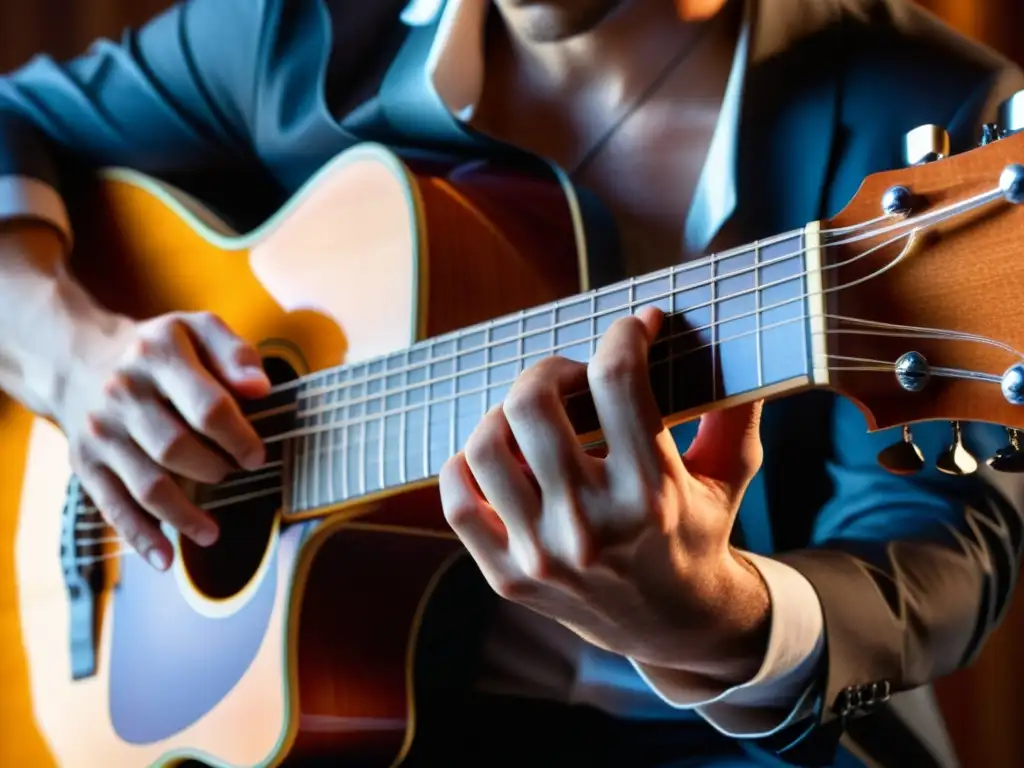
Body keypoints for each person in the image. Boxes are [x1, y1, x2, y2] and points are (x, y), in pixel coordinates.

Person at [1, 0, 1022, 765]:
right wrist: (74, 359)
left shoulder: (923, 105)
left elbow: (945, 552)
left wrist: (710, 619)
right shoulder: (304, 32)